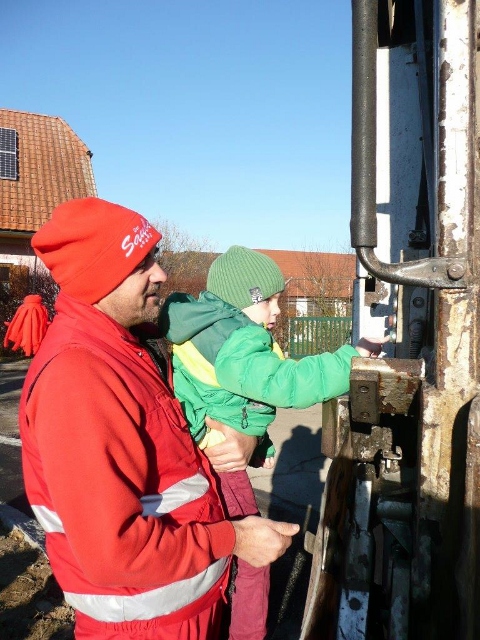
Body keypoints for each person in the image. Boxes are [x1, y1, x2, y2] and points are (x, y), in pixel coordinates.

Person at [18, 199, 299, 640]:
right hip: (146, 625)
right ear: (99, 277)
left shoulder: (129, 347)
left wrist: (243, 436)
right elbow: (114, 553)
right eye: (140, 263)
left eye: (156, 257)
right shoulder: (79, 378)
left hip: (181, 608)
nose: (161, 274)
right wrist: (234, 539)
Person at [160, 245, 387, 640]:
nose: (278, 311)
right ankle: (248, 633)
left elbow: (233, 401)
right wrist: (351, 358)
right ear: (243, 302)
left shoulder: (209, 329)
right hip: (222, 465)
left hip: (210, 451)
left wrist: (259, 444)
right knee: (254, 553)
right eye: (269, 301)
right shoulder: (237, 341)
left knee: (222, 548)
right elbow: (285, 384)